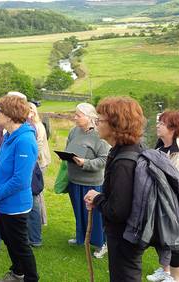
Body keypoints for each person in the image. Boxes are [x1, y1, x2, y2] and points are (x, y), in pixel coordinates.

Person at [84, 96, 147, 281]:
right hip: (127, 233)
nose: (96, 124)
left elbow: (117, 211)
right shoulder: (126, 149)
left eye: (100, 120)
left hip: (124, 236)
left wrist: (96, 198)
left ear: (116, 125)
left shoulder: (125, 161)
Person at [0, 95, 39, 282]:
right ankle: (17, 272)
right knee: (8, 240)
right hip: (4, 203)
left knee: (20, 245)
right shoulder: (9, 136)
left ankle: (30, 278)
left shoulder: (24, 140)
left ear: (10, 115)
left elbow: (20, 181)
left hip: (16, 205)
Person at [147, 111, 179, 282]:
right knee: (161, 239)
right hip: (161, 202)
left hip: (176, 206)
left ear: (173, 128)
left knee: (173, 243)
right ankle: (165, 271)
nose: (157, 125)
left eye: (162, 123)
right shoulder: (161, 148)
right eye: (158, 122)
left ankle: (175, 278)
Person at [65, 103, 109, 259]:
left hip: (92, 183)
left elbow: (105, 159)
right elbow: (68, 149)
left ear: (89, 117)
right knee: (79, 211)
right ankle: (81, 237)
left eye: (78, 115)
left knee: (95, 215)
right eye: (75, 114)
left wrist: (86, 163)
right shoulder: (73, 131)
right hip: (74, 180)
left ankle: (102, 243)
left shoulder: (99, 136)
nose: (75, 117)